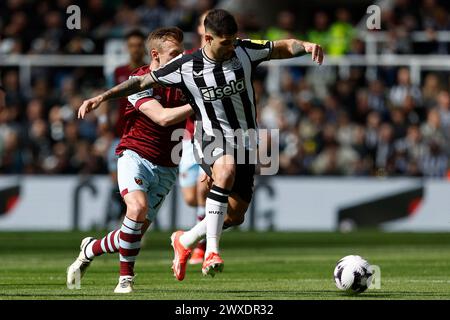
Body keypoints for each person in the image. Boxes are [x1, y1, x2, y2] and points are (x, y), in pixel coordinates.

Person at [78, 9, 324, 281]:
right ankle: (211, 252)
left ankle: (185, 240)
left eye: (233, 40)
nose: (231, 46)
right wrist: (102, 97)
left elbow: (280, 47)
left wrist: (307, 45)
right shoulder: (187, 66)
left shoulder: (243, 50)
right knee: (226, 170)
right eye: (225, 42)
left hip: (244, 139)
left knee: (236, 214)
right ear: (208, 38)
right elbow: (140, 81)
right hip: (209, 137)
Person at [67, 27, 193, 293]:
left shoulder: (186, 81)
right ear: (156, 55)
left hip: (168, 164)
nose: (181, 58)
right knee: (135, 210)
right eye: (175, 54)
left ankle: (90, 248)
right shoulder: (139, 79)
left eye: (182, 52)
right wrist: (203, 102)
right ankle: (126, 279)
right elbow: (162, 118)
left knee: (132, 234)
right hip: (135, 154)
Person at [105, 29, 147, 228]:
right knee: (118, 184)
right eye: (132, 45)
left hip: (141, 136)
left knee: (135, 185)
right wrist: (105, 122)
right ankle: (124, 222)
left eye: (139, 45)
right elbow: (110, 100)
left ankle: (128, 224)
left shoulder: (150, 72)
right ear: (127, 48)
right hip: (119, 134)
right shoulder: (119, 72)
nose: (135, 49)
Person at [179, 11, 209, 266]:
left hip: (214, 136)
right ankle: (197, 234)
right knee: (190, 197)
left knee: (203, 188)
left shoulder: (229, 58)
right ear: (200, 29)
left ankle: (201, 247)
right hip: (188, 137)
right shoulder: (187, 59)